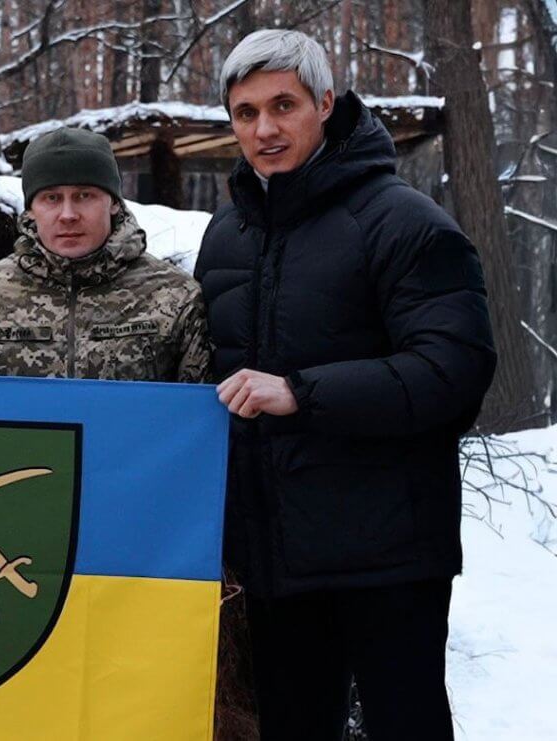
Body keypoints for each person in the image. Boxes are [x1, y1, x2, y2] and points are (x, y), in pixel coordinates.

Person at [193, 29, 496, 740]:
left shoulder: (403, 222)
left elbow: (453, 371)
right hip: (277, 557)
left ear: (325, 104)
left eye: (284, 105)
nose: (264, 130)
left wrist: (301, 392)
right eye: (245, 113)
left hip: (389, 558)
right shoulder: (227, 233)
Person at [0, 126, 210, 384]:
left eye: (84, 195)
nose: (68, 215)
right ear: (30, 210)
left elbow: (198, 413)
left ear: (114, 203)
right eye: (51, 198)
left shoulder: (174, 297)